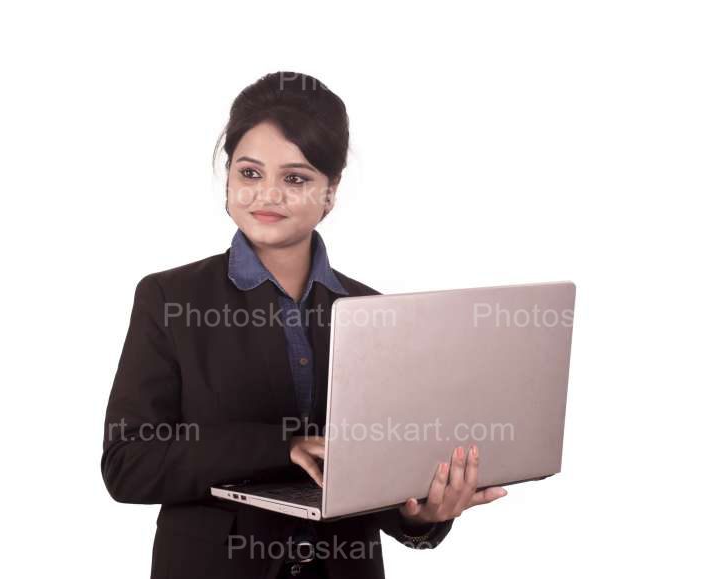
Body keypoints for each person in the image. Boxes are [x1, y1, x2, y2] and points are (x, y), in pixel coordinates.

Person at [101, 71, 508, 579]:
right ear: (227, 177)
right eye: (250, 173)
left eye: (295, 178)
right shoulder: (170, 298)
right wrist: (283, 445)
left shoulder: (373, 312)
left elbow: (376, 473)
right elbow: (128, 465)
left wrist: (420, 516)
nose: (268, 194)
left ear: (330, 192)